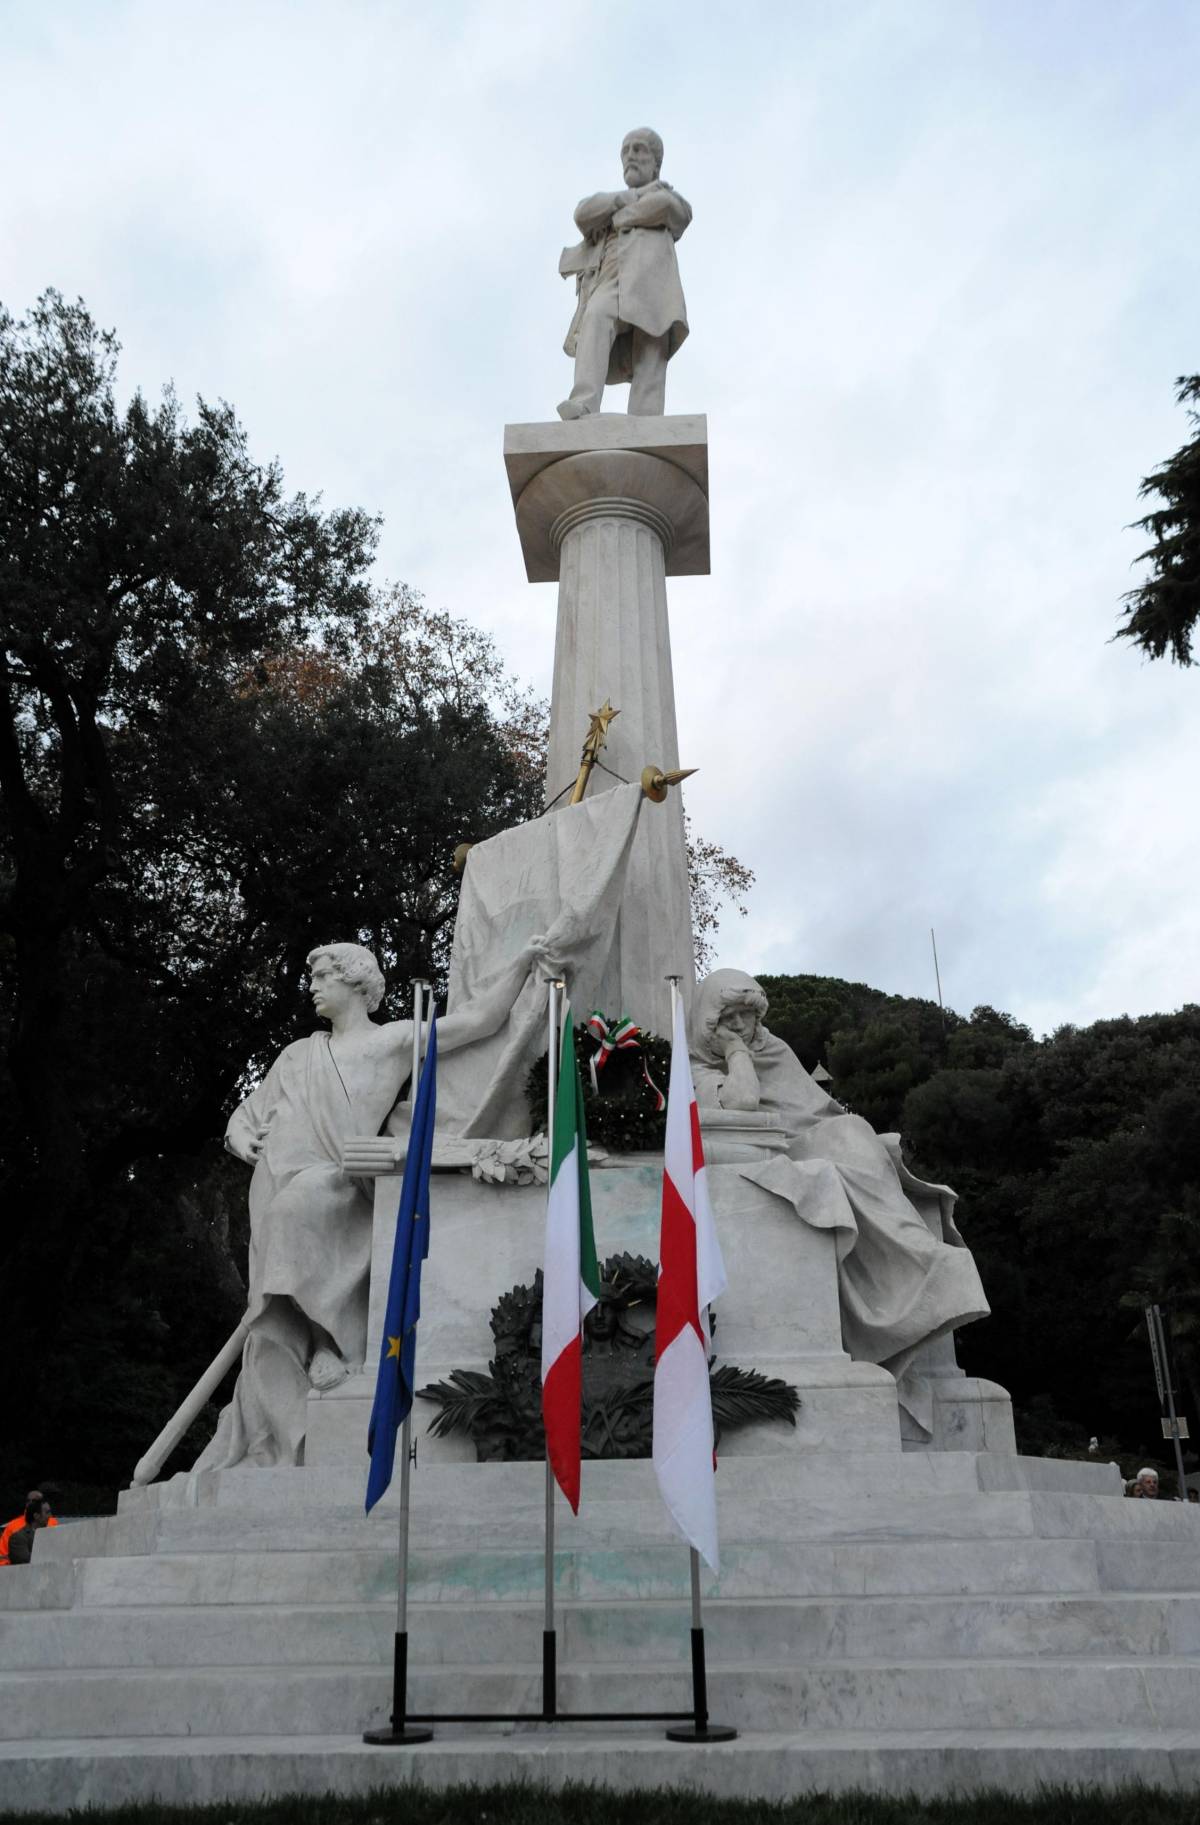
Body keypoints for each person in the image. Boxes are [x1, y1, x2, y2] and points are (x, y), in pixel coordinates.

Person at [197, 937, 555, 1471]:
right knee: (287, 1216)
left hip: (341, 1181)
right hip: (273, 1180)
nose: (313, 988)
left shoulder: (389, 1041)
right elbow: (250, 1113)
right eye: (313, 977)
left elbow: (480, 1020)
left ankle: (327, 1344)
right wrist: (240, 1136)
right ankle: (294, 1374)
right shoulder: (298, 1054)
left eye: (323, 977)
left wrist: (524, 960)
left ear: (357, 982)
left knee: (299, 1208)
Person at [688, 969, 990, 1437]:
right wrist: (734, 1053)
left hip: (809, 1137)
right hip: (777, 1147)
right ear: (710, 1019)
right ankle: (920, 1270)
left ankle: (920, 1261)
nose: (743, 1025)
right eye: (731, 1016)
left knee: (853, 1132)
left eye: (749, 1015)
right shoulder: (696, 1068)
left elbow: (814, 1108)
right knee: (834, 1162)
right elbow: (743, 1103)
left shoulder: (775, 1050)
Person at [557, 127, 691, 420]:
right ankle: (584, 402)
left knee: (651, 346)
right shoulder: (623, 197)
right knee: (595, 317)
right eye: (626, 151)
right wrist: (632, 197)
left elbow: (674, 210)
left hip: (652, 280)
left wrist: (620, 215)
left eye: (639, 149)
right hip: (611, 279)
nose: (630, 156)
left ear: (656, 163)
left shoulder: (668, 197)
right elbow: (583, 213)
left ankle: (646, 419)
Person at [0, 1489, 57, 1566]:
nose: (49, 1515)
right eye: (37, 1502)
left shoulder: (53, 1522)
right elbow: (3, 1556)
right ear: (28, 1503)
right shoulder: (12, 1527)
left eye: (42, 1501)